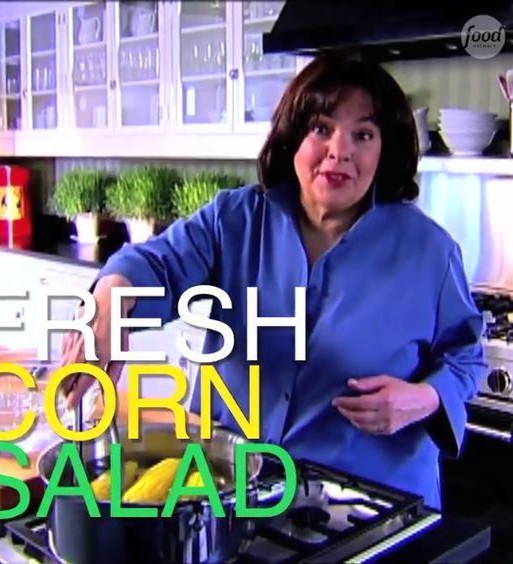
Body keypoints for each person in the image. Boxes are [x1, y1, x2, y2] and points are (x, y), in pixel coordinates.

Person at [60, 54, 484, 510]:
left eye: (362, 135)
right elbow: (155, 265)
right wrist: (112, 295)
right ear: (292, 137)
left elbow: (466, 357)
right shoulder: (235, 220)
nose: (339, 151)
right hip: (235, 494)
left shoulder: (429, 252)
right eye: (321, 129)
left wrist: (424, 397)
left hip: (372, 506)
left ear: (385, 152)